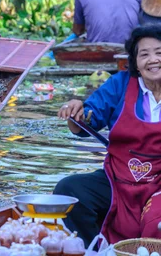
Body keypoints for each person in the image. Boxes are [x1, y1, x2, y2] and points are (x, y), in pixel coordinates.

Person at [56, 25, 161, 244]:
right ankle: (95, 249)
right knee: (69, 190)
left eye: (159, 52)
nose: (153, 60)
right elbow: (87, 122)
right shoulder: (120, 84)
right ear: (135, 63)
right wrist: (77, 114)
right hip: (117, 180)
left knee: (156, 222)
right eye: (144, 54)